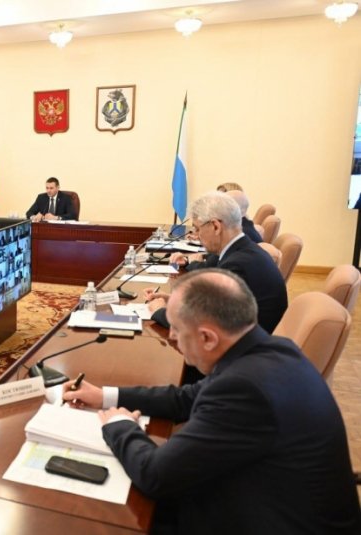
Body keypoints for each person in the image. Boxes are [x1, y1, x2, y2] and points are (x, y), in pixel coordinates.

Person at [62, 269, 361, 535]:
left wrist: (120, 425)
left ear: (208, 338)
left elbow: (156, 475)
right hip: (268, 497)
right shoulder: (269, 350)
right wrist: (104, 396)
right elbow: (186, 398)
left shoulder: (244, 389)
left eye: (177, 329)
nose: (173, 337)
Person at [146, 191, 287, 334]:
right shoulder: (243, 252)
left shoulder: (237, 265)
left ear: (216, 226)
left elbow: (201, 323)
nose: (196, 236)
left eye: (197, 228)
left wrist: (160, 311)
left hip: (244, 345)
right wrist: (174, 301)